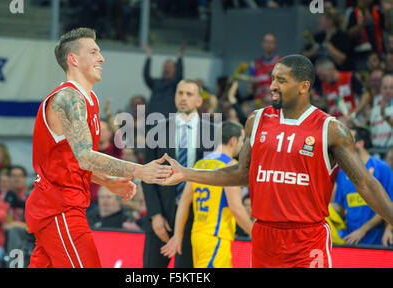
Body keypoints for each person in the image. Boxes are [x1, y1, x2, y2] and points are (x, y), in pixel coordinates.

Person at [161, 54, 393, 268]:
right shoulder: (257, 120)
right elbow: (242, 173)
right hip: (265, 237)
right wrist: (187, 173)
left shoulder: (331, 129)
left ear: (304, 86)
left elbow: (365, 183)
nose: (272, 85)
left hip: (306, 239)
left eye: (281, 80)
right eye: (272, 78)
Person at [24, 27, 172, 268]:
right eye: (93, 52)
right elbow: (85, 157)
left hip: (63, 206)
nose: (101, 58)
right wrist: (140, 170)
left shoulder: (89, 99)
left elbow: (72, 162)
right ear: (73, 59)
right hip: (59, 208)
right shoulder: (67, 99)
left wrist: (108, 181)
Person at [142, 79, 215, 268]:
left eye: (189, 94)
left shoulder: (213, 132)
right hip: (162, 215)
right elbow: (147, 175)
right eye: (180, 93)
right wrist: (155, 215)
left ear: (199, 101)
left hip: (196, 215)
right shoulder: (157, 129)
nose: (183, 98)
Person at [160, 121, 253, 268]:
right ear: (233, 141)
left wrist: (178, 235)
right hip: (215, 237)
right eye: (242, 140)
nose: (242, 145)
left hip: (197, 235)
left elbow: (184, 201)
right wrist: (255, 233)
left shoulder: (199, 164)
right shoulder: (230, 166)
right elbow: (236, 208)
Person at [332, 125, 393, 245]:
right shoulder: (343, 171)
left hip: (377, 241)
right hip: (350, 240)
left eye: (349, 139)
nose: (343, 142)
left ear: (360, 143)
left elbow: (389, 205)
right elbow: (341, 206)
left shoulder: (382, 168)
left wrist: (362, 230)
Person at [142, 42, 185, 118]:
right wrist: (149, 56)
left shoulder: (175, 85)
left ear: (175, 70)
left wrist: (180, 56)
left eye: (170, 67)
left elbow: (179, 75)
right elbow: (146, 75)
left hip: (167, 121)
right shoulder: (155, 83)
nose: (167, 69)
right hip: (152, 119)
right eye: (165, 66)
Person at [248, 33, 282, 107]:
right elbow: (250, 89)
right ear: (262, 44)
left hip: (276, 101)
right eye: (266, 42)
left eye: (271, 42)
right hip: (258, 102)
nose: (269, 45)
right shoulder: (254, 64)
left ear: (275, 45)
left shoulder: (282, 62)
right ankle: (217, 119)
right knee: (244, 109)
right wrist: (252, 83)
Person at [370, 73, 393, 149]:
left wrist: (384, 115)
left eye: (391, 87)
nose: (388, 91)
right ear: (381, 90)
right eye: (385, 88)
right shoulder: (374, 110)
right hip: (376, 150)